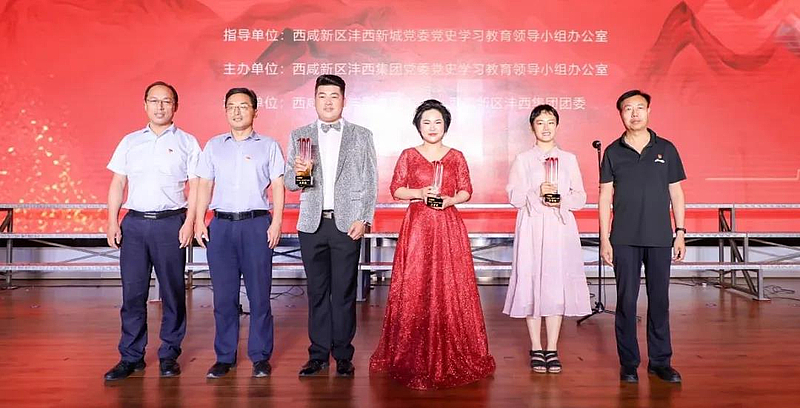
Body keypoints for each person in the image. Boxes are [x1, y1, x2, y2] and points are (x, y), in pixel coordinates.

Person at [369, 99, 495, 390]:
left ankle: (454, 349)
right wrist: (420, 192)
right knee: (416, 284)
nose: (432, 127)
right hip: (418, 226)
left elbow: (466, 190)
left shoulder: (456, 156)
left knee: (450, 285)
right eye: (426, 122)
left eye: (437, 122)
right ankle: (411, 352)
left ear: (446, 126)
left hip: (447, 225)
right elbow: (396, 189)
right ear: (418, 126)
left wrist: (450, 200)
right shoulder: (409, 155)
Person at [104, 81, 200, 381]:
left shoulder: (187, 142)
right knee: (133, 294)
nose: (160, 106)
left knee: (173, 293)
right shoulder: (130, 141)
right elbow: (118, 183)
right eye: (154, 101)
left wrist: (190, 222)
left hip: (171, 224)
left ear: (175, 106)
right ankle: (131, 356)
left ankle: (169, 354)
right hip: (134, 224)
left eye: (166, 101)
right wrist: (112, 221)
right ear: (145, 105)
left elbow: (196, 186)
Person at [284, 75, 378, 377]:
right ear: (314, 100)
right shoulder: (301, 135)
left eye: (334, 96)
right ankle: (318, 355)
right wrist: (302, 173)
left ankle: (343, 354)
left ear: (343, 100)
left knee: (344, 292)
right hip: (311, 224)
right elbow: (291, 183)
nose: (328, 101)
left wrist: (364, 219)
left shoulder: (361, 135)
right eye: (322, 95)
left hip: (347, 224)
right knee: (317, 292)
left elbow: (370, 180)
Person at [193, 87, 285, 379]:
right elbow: (205, 185)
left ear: (255, 111)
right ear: (225, 111)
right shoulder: (213, 146)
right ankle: (225, 356)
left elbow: (278, 185)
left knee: (259, 295)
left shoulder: (268, 146)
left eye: (243, 106)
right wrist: (199, 220)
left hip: (256, 225)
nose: (237, 111)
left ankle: (260, 357)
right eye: (231, 106)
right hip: (220, 226)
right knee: (223, 296)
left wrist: (276, 222)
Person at [599, 90, 687, 384]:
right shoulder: (613, 151)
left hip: (660, 237)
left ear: (649, 111)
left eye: (640, 107)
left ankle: (660, 362)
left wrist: (680, 232)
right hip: (623, 238)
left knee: (659, 301)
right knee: (626, 301)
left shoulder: (667, 149)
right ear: (620, 114)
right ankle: (628, 363)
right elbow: (604, 196)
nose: (634, 113)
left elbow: (676, 192)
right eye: (628, 109)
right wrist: (604, 238)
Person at [503, 104, 592, 374]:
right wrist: (536, 191)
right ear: (532, 127)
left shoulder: (569, 159)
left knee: (555, 284)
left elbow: (580, 197)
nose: (545, 127)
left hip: (559, 226)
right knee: (532, 282)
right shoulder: (523, 159)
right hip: (532, 225)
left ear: (557, 125)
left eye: (550, 122)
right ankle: (535, 347)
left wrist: (561, 199)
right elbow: (514, 197)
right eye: (540, 122)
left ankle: (552, 348)